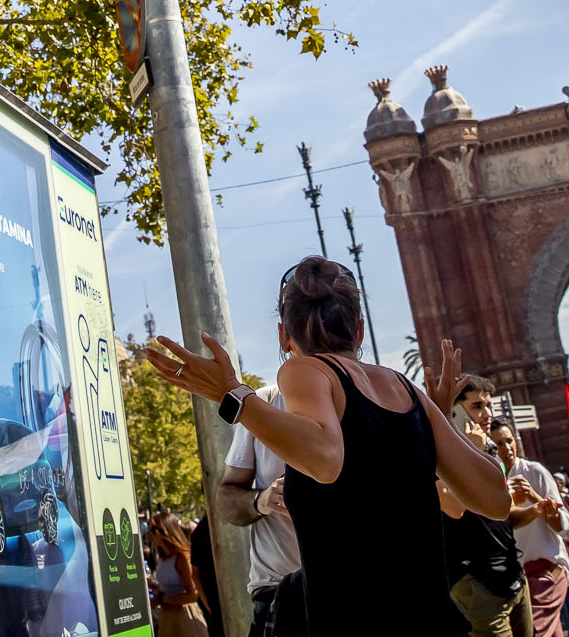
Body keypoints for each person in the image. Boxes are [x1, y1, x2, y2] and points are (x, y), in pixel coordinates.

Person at [147, 259, 510, 633]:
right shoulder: (406, 389)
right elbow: (496, 499)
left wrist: (231, 395)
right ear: (359, 330)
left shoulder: (305, 370)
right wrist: (438, 418)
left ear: (284, 337)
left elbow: (325, 459)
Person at [444, 370, 533, 635]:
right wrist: (470, 454)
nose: (487, 414)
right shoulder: (438, 453)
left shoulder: (489, 451)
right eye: (477, 406)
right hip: (477, 584)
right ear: (453, 412)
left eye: (489, 405)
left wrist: (534, 510)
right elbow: (455, 508)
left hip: (513, 575)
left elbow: (499, 510)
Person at [216, 376, 304, 637]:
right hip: (277, 592)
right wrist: (262, 500)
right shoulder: (262, 403)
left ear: (356, 335)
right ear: (285, 339)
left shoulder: (370, 401)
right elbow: (225, 498)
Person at [490, 417, 569, 637]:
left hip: (547, 570)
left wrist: (535, 499)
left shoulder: (534, 472)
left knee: (531, 631)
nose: (506, 448)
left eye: (509, 441)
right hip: (516, 580)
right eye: (498, 444)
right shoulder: (487, 481)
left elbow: (566, 526)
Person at [148, 508, 210, 637]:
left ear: (164, 532)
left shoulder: (182, 558)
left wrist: (162, 599)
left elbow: (192, 595)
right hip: (167, 617)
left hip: (184, 617)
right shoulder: (163, 558)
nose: (150, 535)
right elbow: (167, 585)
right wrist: (153, 585)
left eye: (153, 530)